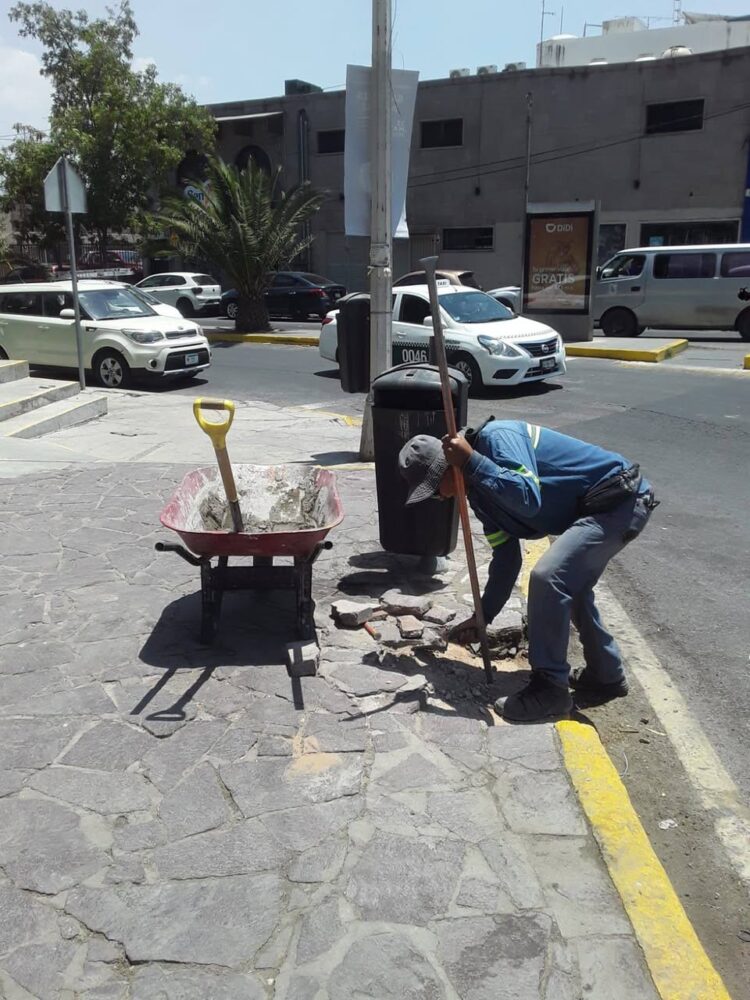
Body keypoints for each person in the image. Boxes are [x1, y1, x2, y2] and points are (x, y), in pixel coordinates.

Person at [398, 420, 658, 723]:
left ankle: (550, 690)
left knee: (549, 578)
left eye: (433, 490)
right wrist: (483, 616)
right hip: (599, 509)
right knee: (570, 587)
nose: (438, 498)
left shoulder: (497, 440)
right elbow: (507, 559)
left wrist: (473, 461)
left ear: (446, 467)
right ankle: (606, 675)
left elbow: (528, 497)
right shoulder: (481, 499)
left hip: (619, 499)